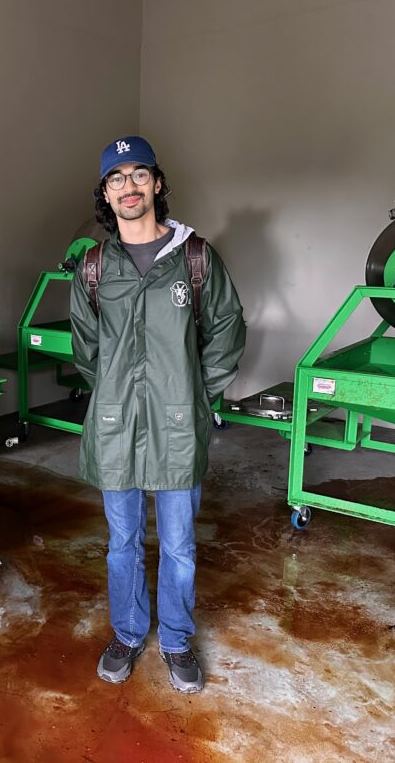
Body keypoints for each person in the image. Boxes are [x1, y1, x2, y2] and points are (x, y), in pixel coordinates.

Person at [69, 135, 245, 693]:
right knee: (121, 543)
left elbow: (226, 329)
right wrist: (119, 396)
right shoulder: (94, 267)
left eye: (138, 174)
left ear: (157, 183)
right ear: (105, 192)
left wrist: (195, 393)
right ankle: (126, 634)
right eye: (116, 178)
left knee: (178, 545)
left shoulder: (195, 259)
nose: (129, 186)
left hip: (176, 427)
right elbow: (86, 349)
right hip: (116, 427)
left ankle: (174, 640)